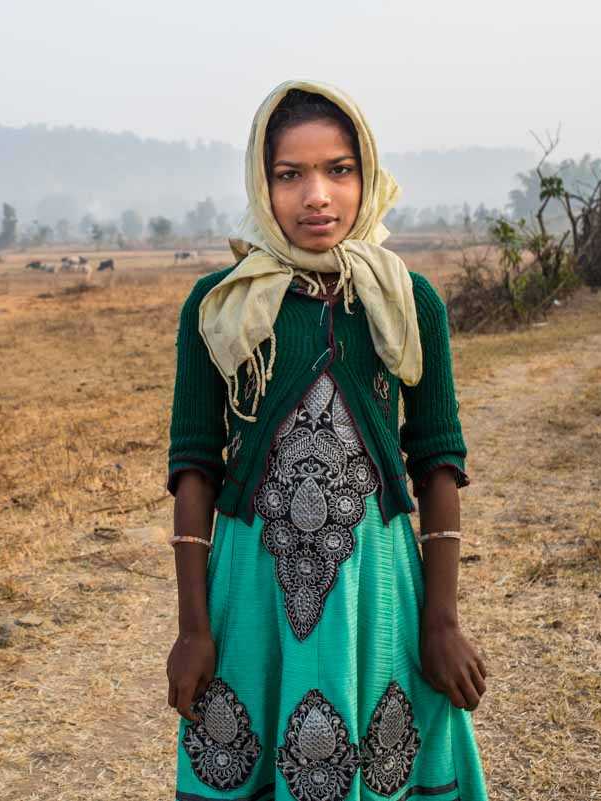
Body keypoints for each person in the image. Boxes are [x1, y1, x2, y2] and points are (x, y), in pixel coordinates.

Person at [166, 80, 489, 801]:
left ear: (366, 175)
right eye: (291, 174)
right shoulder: (219, 305)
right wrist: (193, 628)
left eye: (339, 170)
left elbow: (438, 463)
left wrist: (441, 621)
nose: (317, 194)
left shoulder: (411, 302)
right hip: (249, 594)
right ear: (263, 181)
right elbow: (193, 468)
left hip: (376, 586)